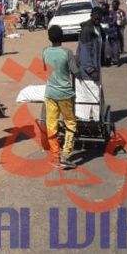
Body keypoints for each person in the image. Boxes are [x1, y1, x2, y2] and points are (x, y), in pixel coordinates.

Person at [43, 25, 79, 169]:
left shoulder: (45, 51)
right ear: (62, 37)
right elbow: (75, 72)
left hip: (50, 94)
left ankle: (55, 156)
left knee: (51, 125)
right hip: (65, 94)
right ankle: (66, 155)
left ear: (49, 38)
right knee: (70, 122)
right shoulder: (67, 53)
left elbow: (46, 69)